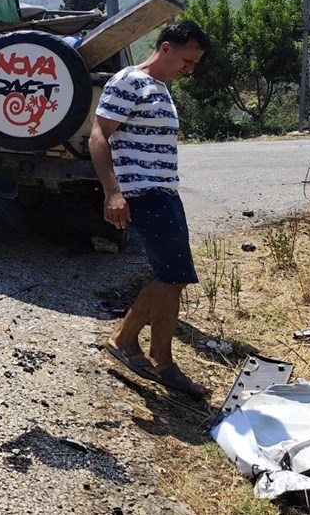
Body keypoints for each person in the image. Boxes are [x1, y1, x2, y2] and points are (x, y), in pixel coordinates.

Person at [90, 20, 211, 399]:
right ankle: (125, 339)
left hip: (164, 191)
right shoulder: (129, 80)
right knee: (172, 277)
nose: (189, 70)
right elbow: (98, 135)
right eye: (187, 61)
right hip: (143, 193)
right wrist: (113, 192)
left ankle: (164, 359)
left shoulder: (159, 87)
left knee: (173, 278)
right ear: (165, 47)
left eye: (194, 65)